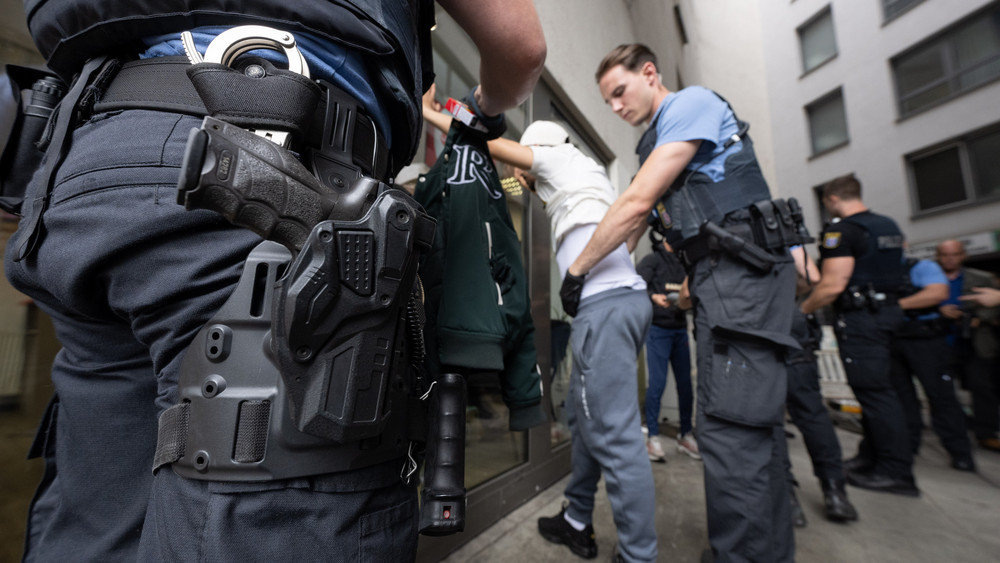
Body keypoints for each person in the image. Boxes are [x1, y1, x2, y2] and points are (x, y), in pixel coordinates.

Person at [5, 2, 545, 561]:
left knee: (97, 526)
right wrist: (480, 109)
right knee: (275, 500)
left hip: (94, 160)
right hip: (265, 144)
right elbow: (522, 49)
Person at [567, 43, 803, 562]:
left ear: (649, 74)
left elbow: (635, 204)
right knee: (753, 428)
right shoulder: (663, 138)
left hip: (742, 279)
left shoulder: (689, 105)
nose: (615, 107)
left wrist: (578, 271)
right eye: (606, 101)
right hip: (727, 280)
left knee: (732, 432)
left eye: (620, 92)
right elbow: (643, 225)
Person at [422, 90, 657, 563]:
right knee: (588, 421)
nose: (517, 179)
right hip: (617, 302)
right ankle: (575, 520)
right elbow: (640, 217)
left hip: (605, 306)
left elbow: (484, 146)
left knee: (616, 436)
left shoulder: (558, 158)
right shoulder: (588, 178)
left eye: (524, 171)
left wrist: (429, 113)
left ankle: (639, 556)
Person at [800, 174, 918, 497]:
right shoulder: (888, 226)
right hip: (890, 315)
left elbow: (832, 284)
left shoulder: (842, 230)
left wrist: (804, 310)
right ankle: (872, 458)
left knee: (874, 394)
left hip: (862, 320)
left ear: (832, 199)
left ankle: (895, 471)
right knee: (886, 392)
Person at [785, 246, 858, 524]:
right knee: (812, 413)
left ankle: (787, 498)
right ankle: (835, 493)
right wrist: (798, 305)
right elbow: (811, 276)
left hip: (756, 322)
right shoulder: (785, 224)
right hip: (792, 322)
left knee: (766, 418)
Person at [892, 256, 976, 471]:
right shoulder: (877, 269)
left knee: (941, 397)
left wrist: (893, 306)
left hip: (926, 339)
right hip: (893, 338)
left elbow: (938, 292)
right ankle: (907, 448)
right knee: (902, 400)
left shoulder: (921, 266)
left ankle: (960, 453)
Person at [636, 232, 700, 461]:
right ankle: (652, 437)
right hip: (658, 330)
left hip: (680, 329)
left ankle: (685, 435)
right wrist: (653, 297)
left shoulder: (686, 262)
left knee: (685, 385)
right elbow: (635, 285)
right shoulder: (652, 261)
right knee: (657, 384)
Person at [937, 240, 1000, 453]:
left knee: (983, 389)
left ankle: (986, 433)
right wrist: (941, 309)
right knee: (944, 391)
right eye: (945, 255)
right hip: (943, 340)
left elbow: (994, 306)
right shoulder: (931, 278)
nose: (950, 258)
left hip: (976, 342)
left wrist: (979, 317)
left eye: (954, 254)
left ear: (963, 255)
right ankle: (958, 428)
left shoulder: (981, 278)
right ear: (938, 257)